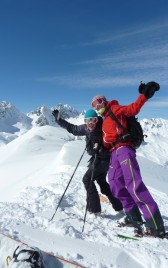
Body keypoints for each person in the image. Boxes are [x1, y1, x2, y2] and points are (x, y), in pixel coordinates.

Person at [91, 81, 166, 238]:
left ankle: (155, 225)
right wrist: (100, 146)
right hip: (114, 154)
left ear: (104, 101)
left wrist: (144, 95)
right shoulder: (105, 121)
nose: (97, 107)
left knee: (134, 185)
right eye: (94, 106)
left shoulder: (114, 109)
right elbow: (107, 140)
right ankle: (134, 218)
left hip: (124, 149)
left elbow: (133, 109)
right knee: (115, 184)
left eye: (98, 102)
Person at [52, 108, 123, 215]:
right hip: (99, 160)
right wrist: (59, 120)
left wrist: (101, 149)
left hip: (103, 160)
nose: (90, 123)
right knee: (102, 182)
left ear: (97, 120)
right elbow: (73, 128)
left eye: (93, 120)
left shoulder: (104, 128)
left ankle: (95, 210)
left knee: (87, 179)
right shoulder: (86, 128)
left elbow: (113, 143)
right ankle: (119, 207)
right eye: (87, 121)